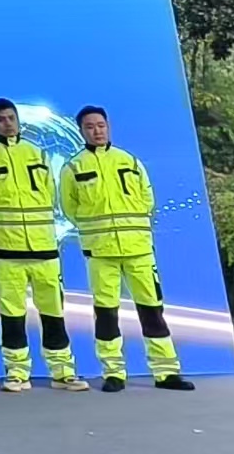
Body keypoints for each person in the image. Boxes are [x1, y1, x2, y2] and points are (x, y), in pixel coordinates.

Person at [60, 106, 195, 392]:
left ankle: (166, 372)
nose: (96, 131)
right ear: (81, 131)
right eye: (90, 127)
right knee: (106, 314)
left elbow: (147, 198)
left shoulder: (129, 161)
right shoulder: (73, 168)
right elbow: (70, 208)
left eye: (100, 125)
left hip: (139, 251)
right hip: (101, 253)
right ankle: (113, 373)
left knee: (152, 310)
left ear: (108, 126)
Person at [0, 99, 86, 393]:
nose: (7, 123)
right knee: (12, 315)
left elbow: (50, 195)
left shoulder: (38, 153)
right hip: (5, 252)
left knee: (53, 313)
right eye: (1, 119)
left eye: (11, 118)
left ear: (18, 120)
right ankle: (17, 372)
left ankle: (63, 371)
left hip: (44, 249)